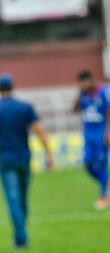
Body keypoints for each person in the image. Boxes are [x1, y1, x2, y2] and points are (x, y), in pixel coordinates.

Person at [0, 73, 53, 248]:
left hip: (6, 160)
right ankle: (21, 235)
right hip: (24, 158)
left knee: (13, 199)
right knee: (22, 199)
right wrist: (49, 154)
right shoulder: (25, 107)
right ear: (12, 87)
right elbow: (39, 130)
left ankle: (21, 237)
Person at [73, 70, 109, 209]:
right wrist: (79, 93)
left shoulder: (103, 92)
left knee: (101, 165)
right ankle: (106, 183)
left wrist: (108, 134)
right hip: (88, 136)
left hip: (101, 135)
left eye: (84, 82)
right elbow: (75, 109)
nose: (82, 85)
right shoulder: (84, 95)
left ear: (90, 80)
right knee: (87, 165)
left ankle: (103, 197)